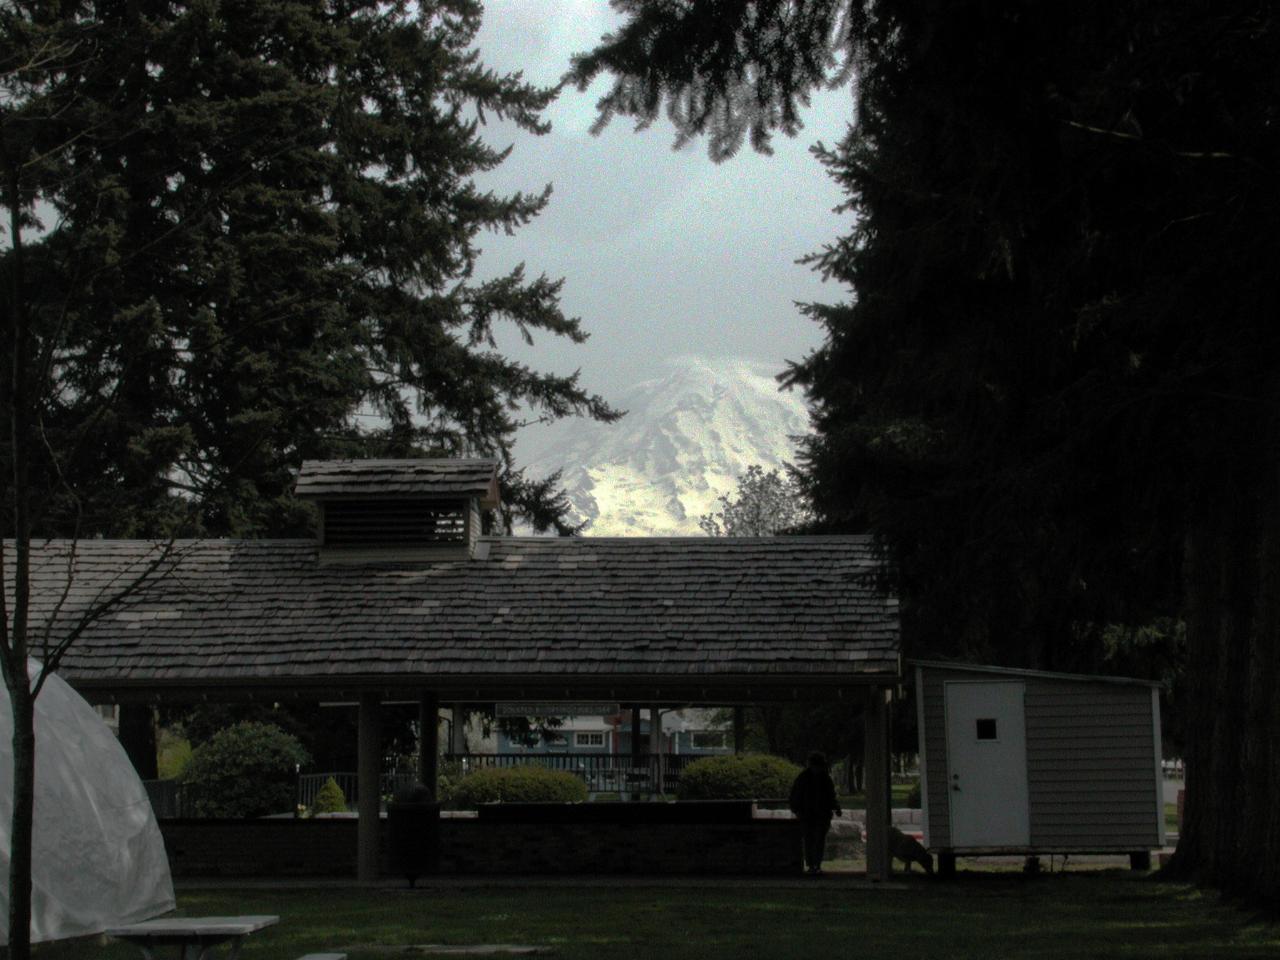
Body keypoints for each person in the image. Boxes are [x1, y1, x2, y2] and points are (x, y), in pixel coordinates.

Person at [789, 751, 842, 875]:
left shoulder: (805, 778)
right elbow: (831, 796)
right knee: (813, 840)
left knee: (815, 840)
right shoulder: (822, 778)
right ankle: (814, 864)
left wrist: (796, 810)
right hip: (812, 815)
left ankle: (814, 864)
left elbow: (830, 796)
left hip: (815, 815)